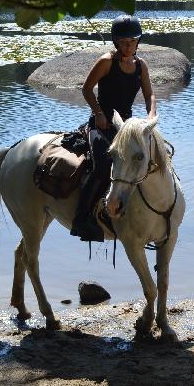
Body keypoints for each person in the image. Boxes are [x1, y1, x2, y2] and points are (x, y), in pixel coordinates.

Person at [70, 14, 157, 241]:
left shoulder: (141, 65)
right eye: (124, 41)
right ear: (116, 42)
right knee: (102, 165)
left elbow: (150, 94)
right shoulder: (106, 61)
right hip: (102, 123)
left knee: (150, 158)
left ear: (138, 41)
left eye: (133, 41)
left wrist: (151, 114)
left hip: (126, 125)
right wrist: (98, 113)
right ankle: (81, 219)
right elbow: (87, 89)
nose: (129, 46)